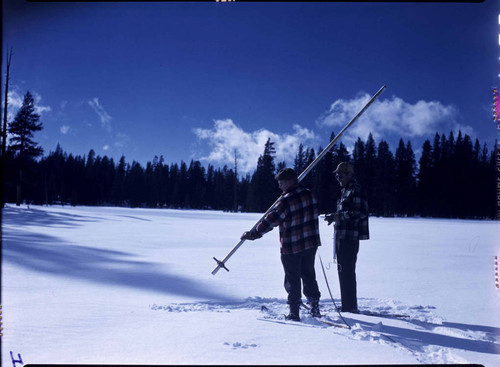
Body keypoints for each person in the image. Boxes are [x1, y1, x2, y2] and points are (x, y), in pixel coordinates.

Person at [241, 168, 322, 321]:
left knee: (292, 279)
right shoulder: (309, 194)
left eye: (282, 182)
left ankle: (293, 312)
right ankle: (314, 306)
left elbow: (271, 221)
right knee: (309, 275)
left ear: (291, 181)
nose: (279, 186)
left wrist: (254, 234)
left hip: (292, 246)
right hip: (310, 244)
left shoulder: (285, 200)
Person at [324, 162, 369, 313]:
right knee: (343, 271)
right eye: (337, 175)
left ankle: (349, 307)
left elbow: (360, 213)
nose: (338, 178)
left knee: (347, 272)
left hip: (349, 238)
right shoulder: (345, 190)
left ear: (350, 174)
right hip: (341, 237)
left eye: (341, 175)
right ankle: (347, 305)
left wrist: (337, 216)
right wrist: (334, 218)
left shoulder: (356, 190)